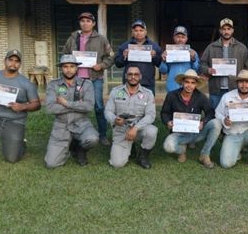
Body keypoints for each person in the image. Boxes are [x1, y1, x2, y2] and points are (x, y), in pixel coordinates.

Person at [62, 12, 114, 146]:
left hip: (95, 78)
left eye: (88, 21)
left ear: (93, 23)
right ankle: (74, 134)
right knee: (75, 106)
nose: (85, 23)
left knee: (98, 106)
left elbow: (110, 57)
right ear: (80, 23)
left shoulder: (101, 39)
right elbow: (64, 55)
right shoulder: (73, 38)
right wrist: (69, 66)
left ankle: (102, 135)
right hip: (76, 79)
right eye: (83, 21)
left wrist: (101, 65)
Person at [44, 54, 99, 168]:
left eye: (72, 66)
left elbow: (89, 106)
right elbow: (49, 108)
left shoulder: (86, 84)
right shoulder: (53, 85)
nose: (69, 70)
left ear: (76, 68)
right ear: (61, 68)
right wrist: (78, 104)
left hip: (81, 122)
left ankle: (79, 150)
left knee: (93, 139)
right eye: (65, 66)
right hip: (61, 124)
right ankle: (68, 145)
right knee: (51, 164)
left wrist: (66, 103)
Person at [161, 69, 222, 168]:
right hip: (178, 132)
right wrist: (168, 121)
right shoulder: (172, 95)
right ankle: (182, 150)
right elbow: (164, 112)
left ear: (196, 84)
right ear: (182, 82)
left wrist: (203, 122)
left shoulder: (201, 97)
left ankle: (205, 154)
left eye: (193, 83)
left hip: (196, 132)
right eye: (187, 82)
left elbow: (210, 112)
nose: (189, 85)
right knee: (168, 146)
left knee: (216, 123)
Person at [104, 66, 158, 169]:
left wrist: (136, 128)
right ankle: (130, 147)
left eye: (136, 74)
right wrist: (114, 119)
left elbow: (151, 115)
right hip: (121, 130)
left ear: (140, 76)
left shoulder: (148, 93)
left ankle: (142, 156)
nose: (133, 77)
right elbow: (108, 111)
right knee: (117, 164)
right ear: (125, 76)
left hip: (138, 129)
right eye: (130, 74)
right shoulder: (115, 92)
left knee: (152, 131)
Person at [200, 18, 248, 108]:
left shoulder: (241, 48)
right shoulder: (211, 47)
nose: (226, 31)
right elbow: (202, 64)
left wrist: (243, 80)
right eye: (224, 29)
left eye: (228, 29)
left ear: (232, 30)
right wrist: (208, 70)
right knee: (215, 114)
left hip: (235, 88)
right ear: (220, 31)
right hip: (216, 89)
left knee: (233, 115)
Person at [114, 19, 163, 93]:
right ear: (132, 32)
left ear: (145, 32)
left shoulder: (154, 46)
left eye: (141, 30)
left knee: (148, 104)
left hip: (147, 83)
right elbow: (118, 64)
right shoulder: (125, 46)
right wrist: (124, 56)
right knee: (129, 104)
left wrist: (155, 56)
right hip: (130, 82)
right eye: (136, 31)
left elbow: (160, 64)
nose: (138, 33)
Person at [159, 25, 201, 92]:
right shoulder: (167, 53)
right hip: (172, 86)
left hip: (188, 87)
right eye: (178, 37)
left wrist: (193, 59)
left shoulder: (193, 53)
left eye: (183, 37)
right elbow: (163, 71)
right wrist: (163, 61)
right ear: (174, 38)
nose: (180, 39)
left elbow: (197, 70)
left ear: (186, 38)